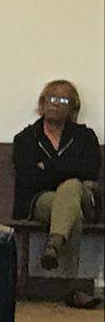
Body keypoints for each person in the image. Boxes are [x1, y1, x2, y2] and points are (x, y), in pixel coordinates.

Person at [12, 80, 101, 278]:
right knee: (71, 209)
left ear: (73, 107)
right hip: (41, 201)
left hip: (84, 200)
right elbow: (28, 179)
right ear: (42, 104)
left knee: (71, 188)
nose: (54, 103)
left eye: (62, 99)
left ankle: (53, 245)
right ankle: (72, 285)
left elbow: (90, 170)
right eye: (50, 98)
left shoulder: (85, 137)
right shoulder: (25, 139)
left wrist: (48, 167)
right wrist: (70, 171)